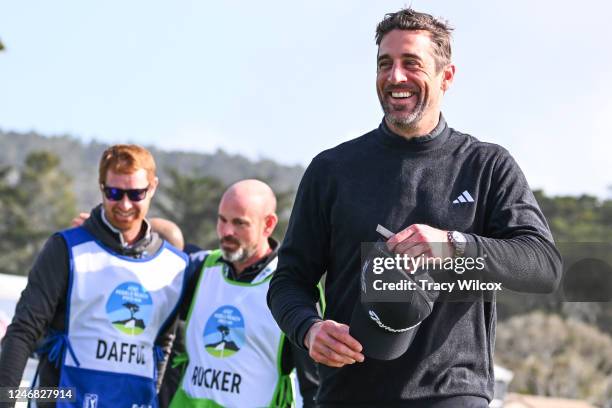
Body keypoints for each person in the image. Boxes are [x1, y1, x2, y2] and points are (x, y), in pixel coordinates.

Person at [267, 8, 562, 408]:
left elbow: (543, 266)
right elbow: (288, 281)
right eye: (384, 64)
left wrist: (454, 245)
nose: (395, 77)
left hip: (452, 394)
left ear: (447, 77)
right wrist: (308, 328)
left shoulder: (486, 166)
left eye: (412, 64)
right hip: (347, 395)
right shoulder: (332, 170)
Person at [0, 144, 188, 408]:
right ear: (101, 187)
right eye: (114, 193)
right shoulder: (65, 247)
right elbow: (22, 332)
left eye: (136, 193)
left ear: (152, 187)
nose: (125, 204)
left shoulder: (176, 265)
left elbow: (163, 346)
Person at [163, 179, 319, 408]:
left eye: (239, 223)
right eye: (222, 220)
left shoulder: (292, 287)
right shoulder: (199, 269)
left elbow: (315, 384)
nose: (226, 231)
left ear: (268, 224)